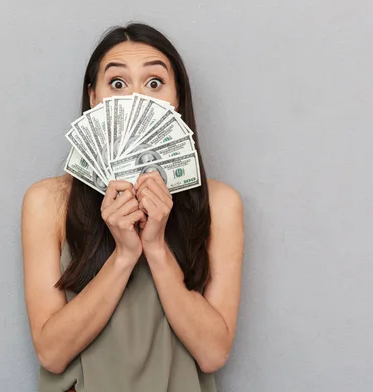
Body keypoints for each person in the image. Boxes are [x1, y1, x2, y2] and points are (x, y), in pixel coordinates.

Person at [21, 22, 245, 392]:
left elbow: (212, 353)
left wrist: (155, 247)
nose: (137, 98)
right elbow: (52, 353)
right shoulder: (48, 202)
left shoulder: (220, 204)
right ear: (93, 98)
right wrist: (124, 255)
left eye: (155, 83)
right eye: (118, 83)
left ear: (177, 99)